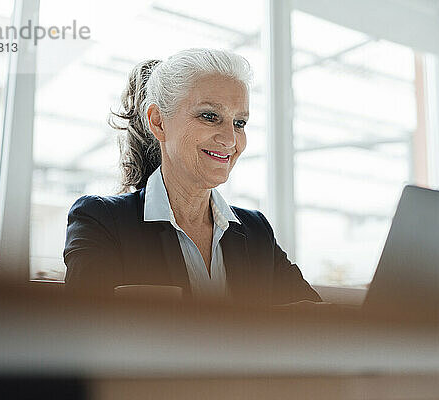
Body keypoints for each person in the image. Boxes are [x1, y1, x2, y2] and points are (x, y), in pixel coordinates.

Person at [63, 48, 321, 305]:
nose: (230, 139)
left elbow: (315, 319)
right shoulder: (101, 221)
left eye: (239, 123)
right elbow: (86, 333)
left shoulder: (255, 231)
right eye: (210, 116)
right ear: (159, 122)